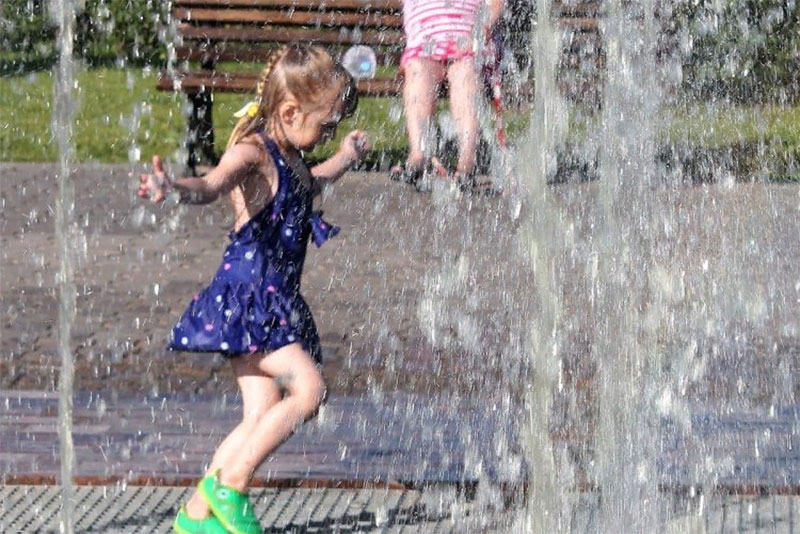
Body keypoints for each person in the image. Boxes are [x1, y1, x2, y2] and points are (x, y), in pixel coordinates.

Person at [137, 43, 369, 534]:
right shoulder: (254, 152)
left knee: (258, 416)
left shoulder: (292, 154)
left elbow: (312, 181)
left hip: (273, 300)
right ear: (289, 111)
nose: (327, 134)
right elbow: (211, 185)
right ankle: (233, 484)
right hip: (249, 299)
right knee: (309, 390)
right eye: (325, 125)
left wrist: (345, 155)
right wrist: (172, 189)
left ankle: (196, 518)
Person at [391, 0, 505, 192]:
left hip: (469, 45)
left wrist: (478, 33)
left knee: (466, 76)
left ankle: (466, 161)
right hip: (424, 47)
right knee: (418, 73)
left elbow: (496, 4)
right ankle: (419, 153)